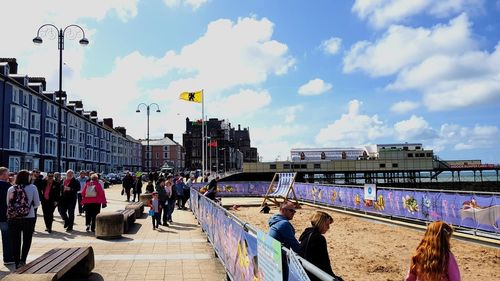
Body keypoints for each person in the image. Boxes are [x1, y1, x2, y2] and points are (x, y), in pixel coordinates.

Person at [6, 170, 40, 269]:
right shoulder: (33, 188)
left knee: (15, 241)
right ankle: (23, 260)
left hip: (13, 218)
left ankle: (16, 263)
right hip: (28, 218)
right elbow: (37, 203)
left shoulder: (11, 188)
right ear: (27, 177)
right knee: (27, 240)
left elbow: (8, 204)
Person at [299, 211, 343, 281]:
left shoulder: (306, 233)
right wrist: (333, 277)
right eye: (327, 225)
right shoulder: (318, 238)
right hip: (312, 274)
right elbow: (324, 262)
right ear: (321, 224)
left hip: (303, 270)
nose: (328, 228)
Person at [0, 167, 14, 265]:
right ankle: (8, 258)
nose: (9, 175)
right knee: (7, 238)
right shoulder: (8, 186)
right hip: (4, 215)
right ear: (3, 174)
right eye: (7, 173)